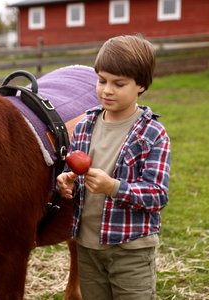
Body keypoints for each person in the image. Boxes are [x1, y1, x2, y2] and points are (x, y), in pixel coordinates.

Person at [57, 35, 171, 300]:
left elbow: (158, 194)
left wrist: (114, 188)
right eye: (102, 80)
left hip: (130, 250)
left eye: (118, 84)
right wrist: (67, 181)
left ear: (141, 85)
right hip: (87, 246)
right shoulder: (85, 126)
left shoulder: (152, 133)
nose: (107, 90)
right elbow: (73, 173)